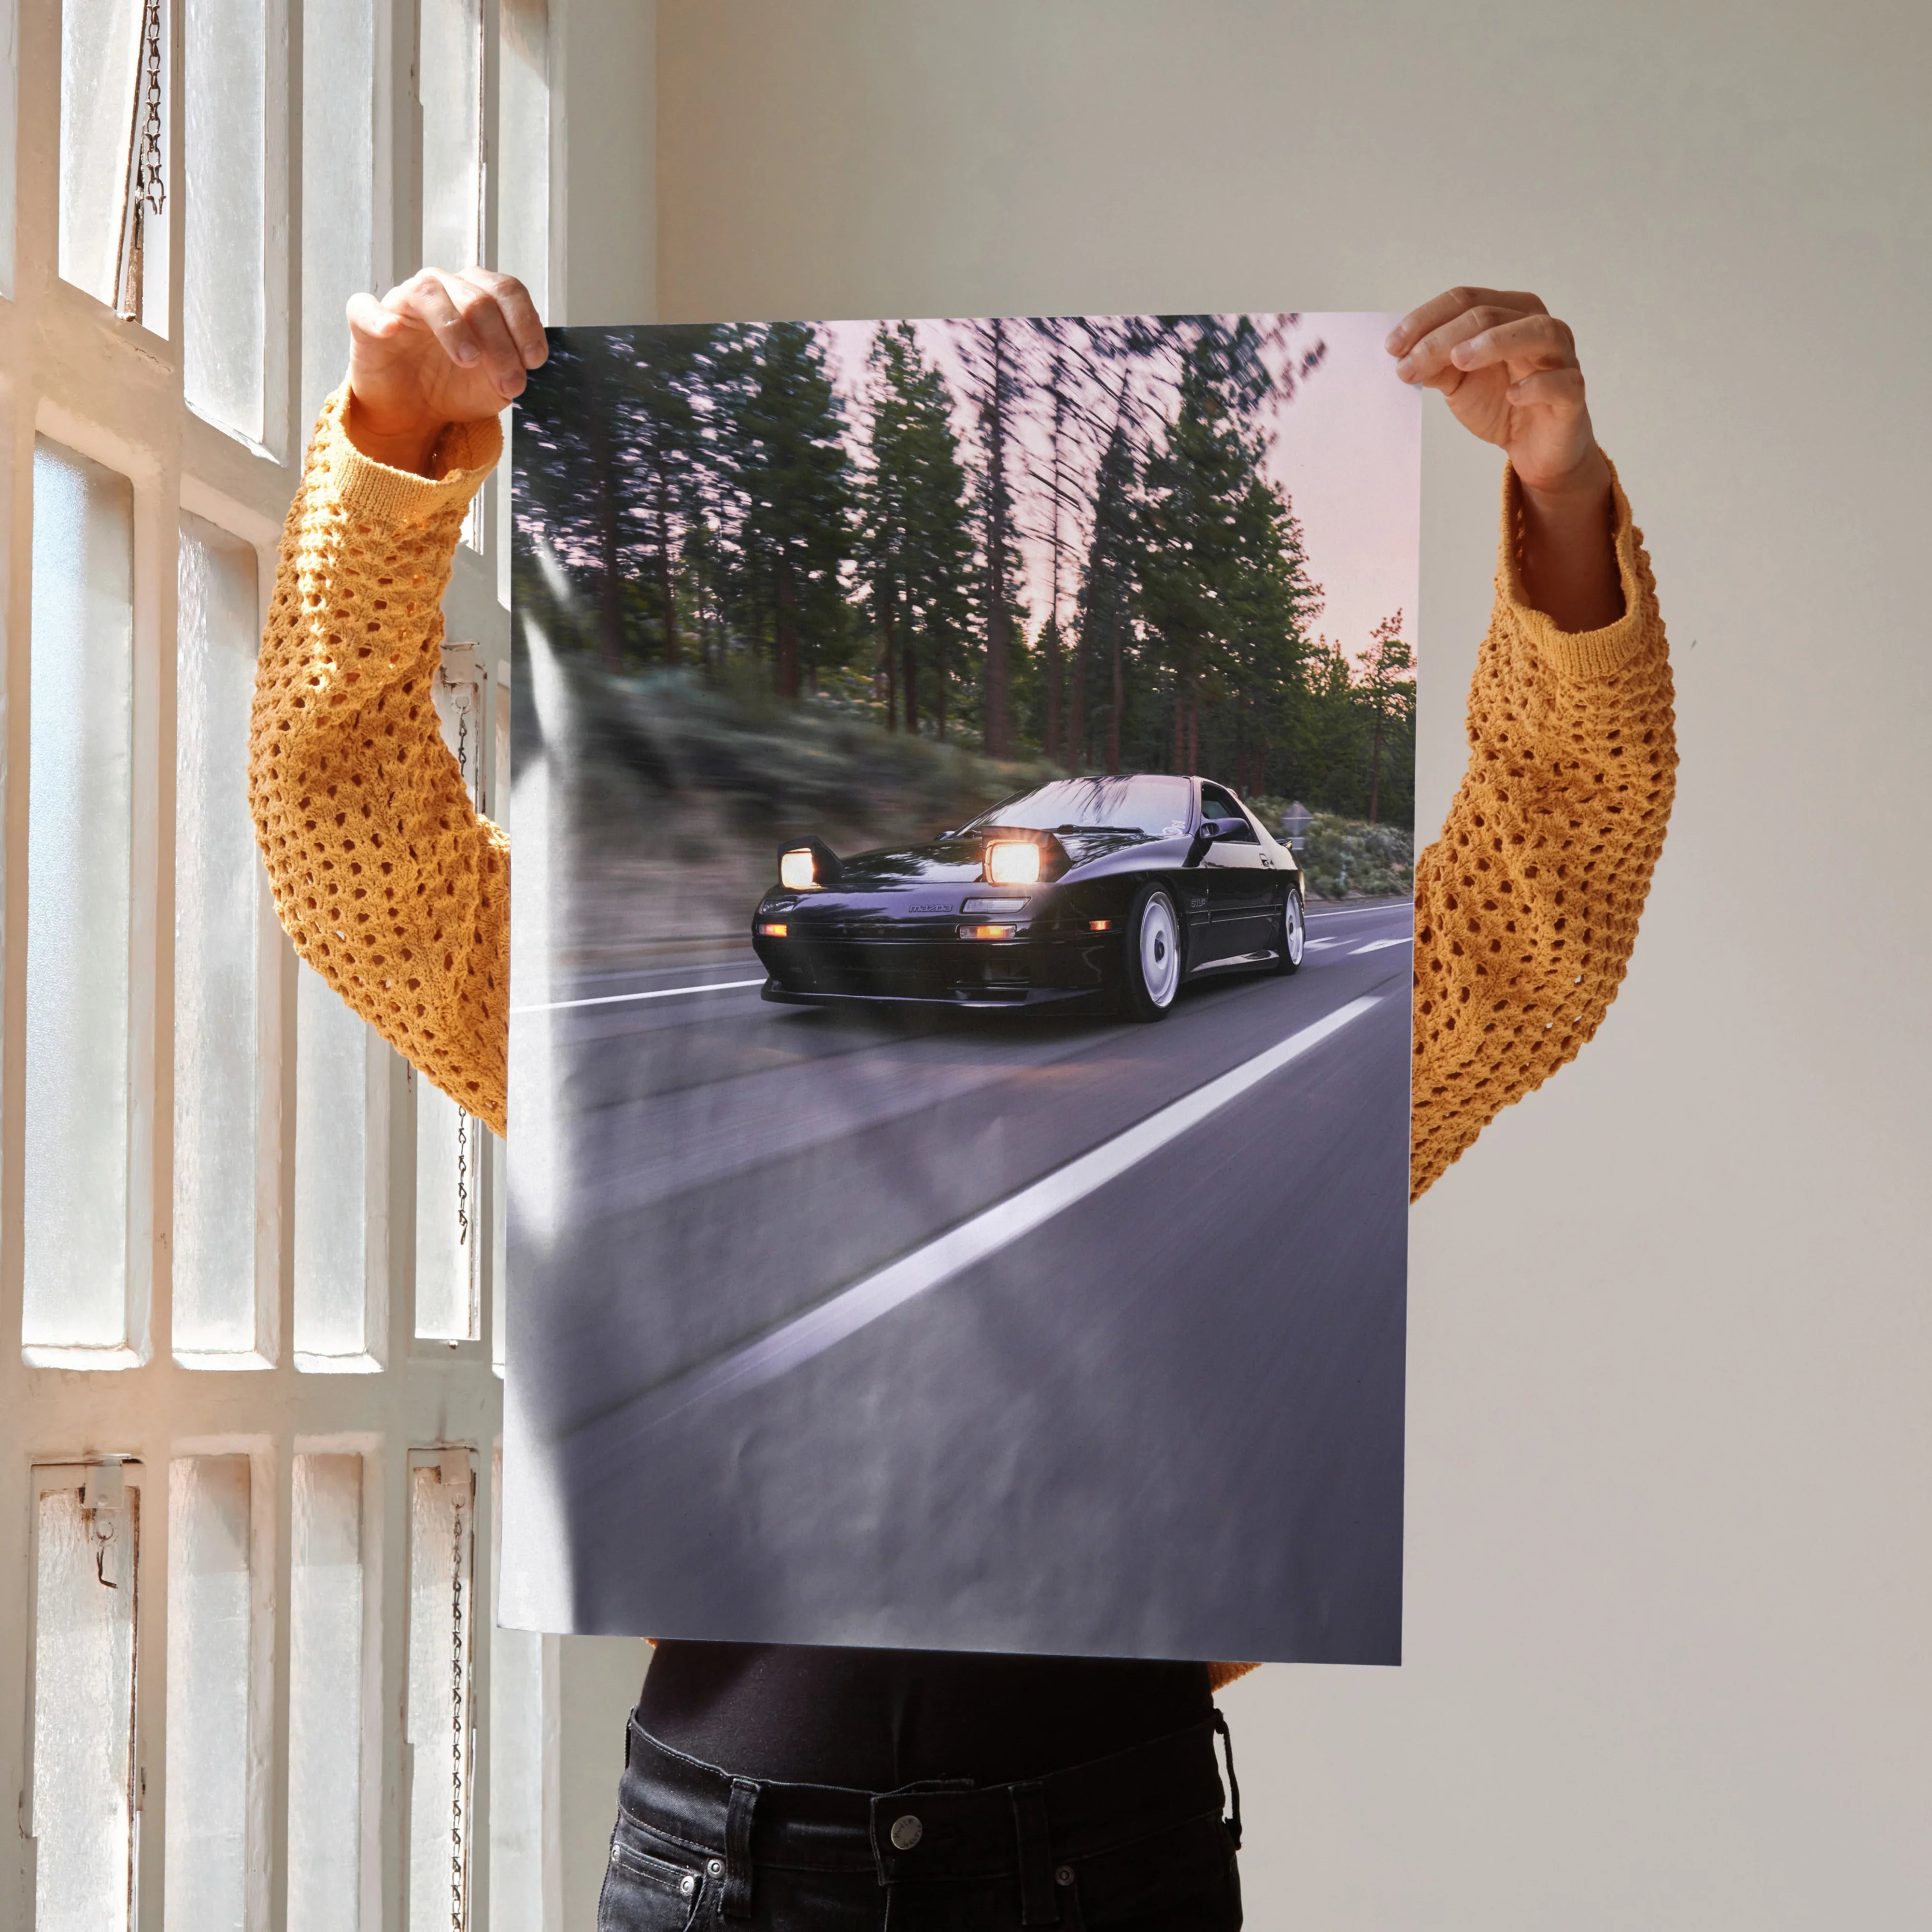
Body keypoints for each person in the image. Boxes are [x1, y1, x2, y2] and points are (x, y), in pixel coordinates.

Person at [250, 270, 1675, 1930]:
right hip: (723, 1863)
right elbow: (349, 848)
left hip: (1101, 1852)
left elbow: (1546, 903)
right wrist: (393, 445)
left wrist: (1561, 498)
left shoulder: (1311, 1034)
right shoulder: (626, 1051)